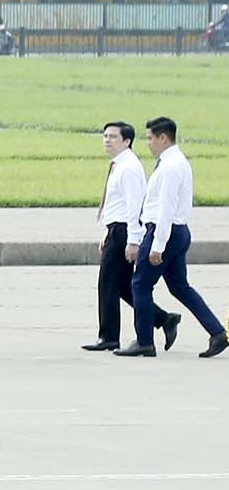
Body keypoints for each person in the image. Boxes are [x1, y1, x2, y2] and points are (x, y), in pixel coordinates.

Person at [120, 117, 227, 358]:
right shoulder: (176, 162)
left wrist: (157, 245)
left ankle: (144, 341)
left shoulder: (169, 167)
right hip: (177, 232)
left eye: (149, 138)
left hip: (163, 232)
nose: (147, 143)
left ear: (163, 138)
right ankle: (217, 332)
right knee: (180, 287)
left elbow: (166, 209)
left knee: (140, 284)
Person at [88, 121, 174, 353]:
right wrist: (107, 232)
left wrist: (132, 241)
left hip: (125, 231)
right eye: (105, 135)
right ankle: (163, 319)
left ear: (127, 141)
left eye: (113, 137)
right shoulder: (119, 165)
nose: (107, 140)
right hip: (116, 230)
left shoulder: (129, 168)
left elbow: (134, 207)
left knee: (107, 283)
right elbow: (116, 205)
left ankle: (108, 337)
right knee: (123, 285)